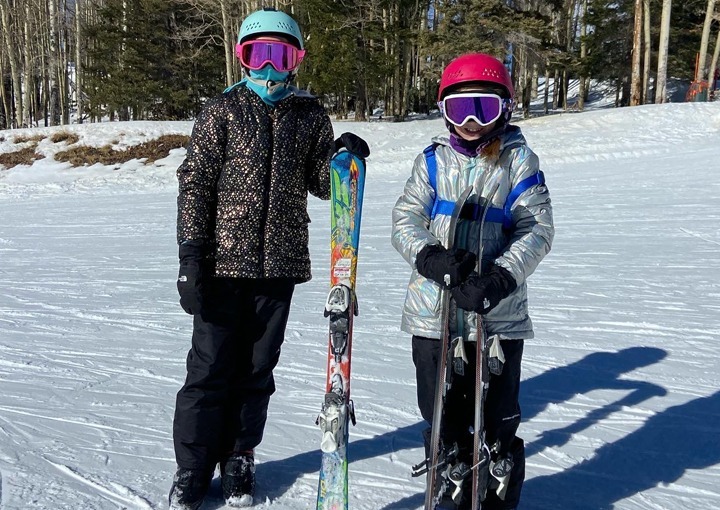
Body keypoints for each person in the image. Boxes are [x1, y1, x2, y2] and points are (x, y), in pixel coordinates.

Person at [170, 9, 368, 510]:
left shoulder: (309, 115)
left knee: (258, 368)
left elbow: (323, 187)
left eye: (280, 57)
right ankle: (193, 467)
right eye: (257, 55)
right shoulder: (222, 110)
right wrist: (191, 256)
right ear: (242, 58)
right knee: (210, 367)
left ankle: (239, 455)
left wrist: (342, 159)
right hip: (220, 264)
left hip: (277, 267)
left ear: (295, 61)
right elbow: (195, 183)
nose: (268, 69)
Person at [391, 53, 554, 509]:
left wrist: (502, 277)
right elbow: (405, 218)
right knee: (441, 411)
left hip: (496, 316)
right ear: (443, 110)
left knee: (498, 413)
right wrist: (432, 258)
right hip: (434, 312)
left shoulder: (518, 161)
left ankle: (497, 486)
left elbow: (537, 228)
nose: (472, 122)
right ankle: (449, 482)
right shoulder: (432, 161)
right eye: (459, 109)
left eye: (484, 108)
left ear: (506, 107)